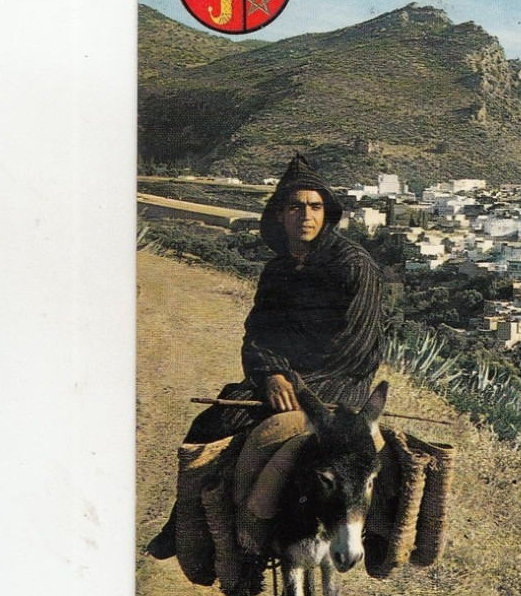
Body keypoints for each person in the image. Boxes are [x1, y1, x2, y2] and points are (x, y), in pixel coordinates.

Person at [147, 153, 385, 559]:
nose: (305, 216)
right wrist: (271, 374)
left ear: (326, 213)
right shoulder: (276, 271)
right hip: (284, 381)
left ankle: (369, 532)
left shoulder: (353, 265)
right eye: (295, 207)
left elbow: (357, 344)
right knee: (211, 421)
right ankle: (184, 522)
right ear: (280, 215)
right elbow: (259, 332)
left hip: (341, 382)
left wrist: (296, 382)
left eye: (314, 206)